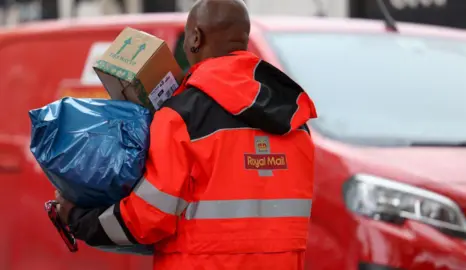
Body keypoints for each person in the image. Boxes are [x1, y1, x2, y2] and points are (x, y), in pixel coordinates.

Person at [55, 0, 318, 269]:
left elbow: (147, 218)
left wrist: (75, 218)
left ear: (195, 38)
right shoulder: (295, 121)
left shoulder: (180, 117)